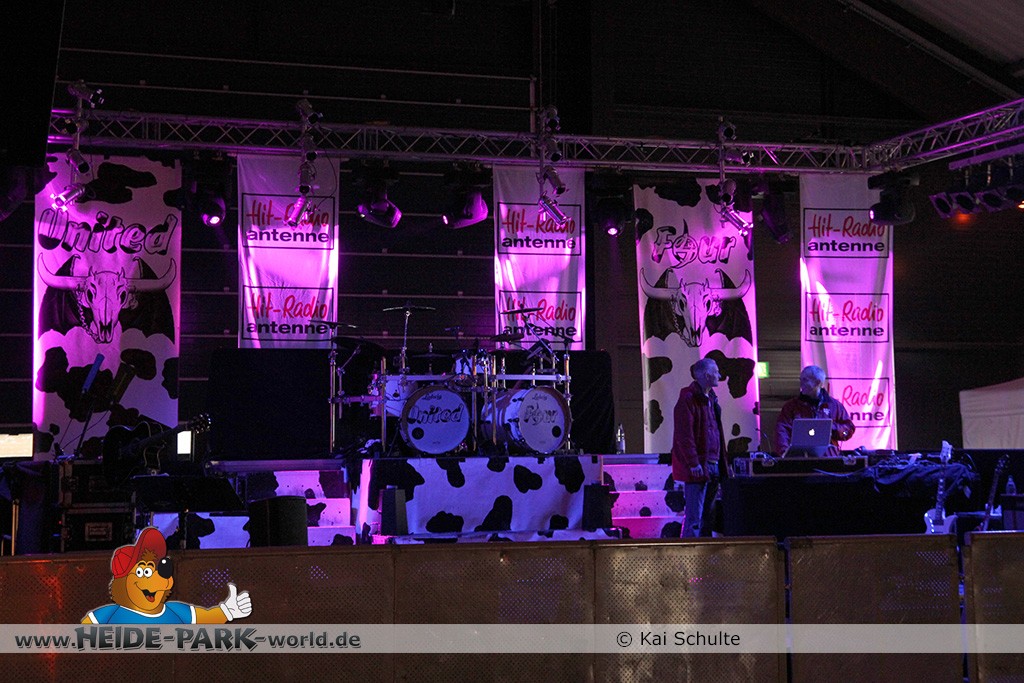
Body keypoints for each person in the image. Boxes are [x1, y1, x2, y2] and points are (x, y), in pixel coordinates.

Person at [671, 357, 726, 538]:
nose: (719, 375)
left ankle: (703, 550)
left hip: (713, 463)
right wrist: (694, 462)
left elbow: (716, 432)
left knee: (707, 516)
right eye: (716, 372)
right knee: (695, 516)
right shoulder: (688, 399)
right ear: (706, 375)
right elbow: (684, 435)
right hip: (700, 465)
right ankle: (689, 551)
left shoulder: (711, 399)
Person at [774, 364, 855, 456]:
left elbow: (848, 429)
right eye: (800, 379)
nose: (801, 384)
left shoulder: (834, 405)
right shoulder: (791, 407)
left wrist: (830, 428)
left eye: (805, 380)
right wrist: (784, 452)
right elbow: (782, 430)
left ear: (818, 382)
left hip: (829, 459)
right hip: (800, 459)